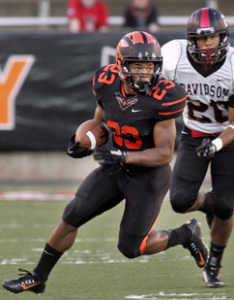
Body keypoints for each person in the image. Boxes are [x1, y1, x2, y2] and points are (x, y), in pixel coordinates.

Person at [2, 31, 208, 295]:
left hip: (148, 176)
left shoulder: (164, 96)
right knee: (72, 215)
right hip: (115, 166)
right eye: (138, 67)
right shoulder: (107, 81)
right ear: (122, 66)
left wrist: (124, 156)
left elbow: (164, 154)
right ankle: (38, 277)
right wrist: (82, 141)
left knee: (133, 248)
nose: (145, 73)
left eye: (150, 67)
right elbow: (99, 122)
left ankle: (186, 234)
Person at [161, 7, 234, 288]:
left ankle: (213, 266)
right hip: (193, 133)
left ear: (222, 38)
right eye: (202, 39)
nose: (207, 44)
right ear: (191, 40)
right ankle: (209, 204)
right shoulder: (174, 58)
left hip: (226, 138)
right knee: (180, 200)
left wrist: (215, 144)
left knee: (227, 208)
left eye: (212, 38)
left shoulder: (230, 66)